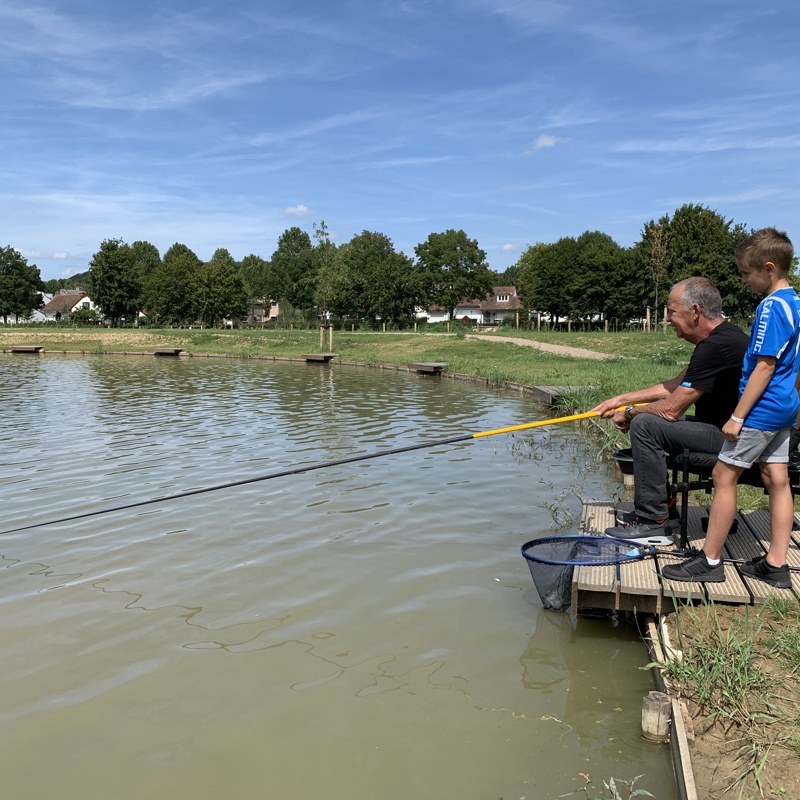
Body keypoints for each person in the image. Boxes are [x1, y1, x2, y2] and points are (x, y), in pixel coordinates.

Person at [662, 228, 800, 585]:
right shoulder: (796, 302)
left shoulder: (770, 307)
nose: (743, 280)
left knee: (724, 476)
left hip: (761, 409)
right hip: (785, 406)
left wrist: (738, 416)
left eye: (746, 273)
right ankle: (776, 564)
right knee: (777, 478)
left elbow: (765, 365)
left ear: (769, 269)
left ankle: (709, 561)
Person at [595, 277, 749, 544]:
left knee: (646, 425)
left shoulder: (716, 346)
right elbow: (674, 386)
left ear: (696, 311)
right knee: (647, 421)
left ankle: (652, 522)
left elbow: (671, 410)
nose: (667, 319)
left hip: (733, 437)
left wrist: (631, 412)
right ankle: (664, 511)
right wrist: (618, 400)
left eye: (672, 311)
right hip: (721, 428)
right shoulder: (724, 337)